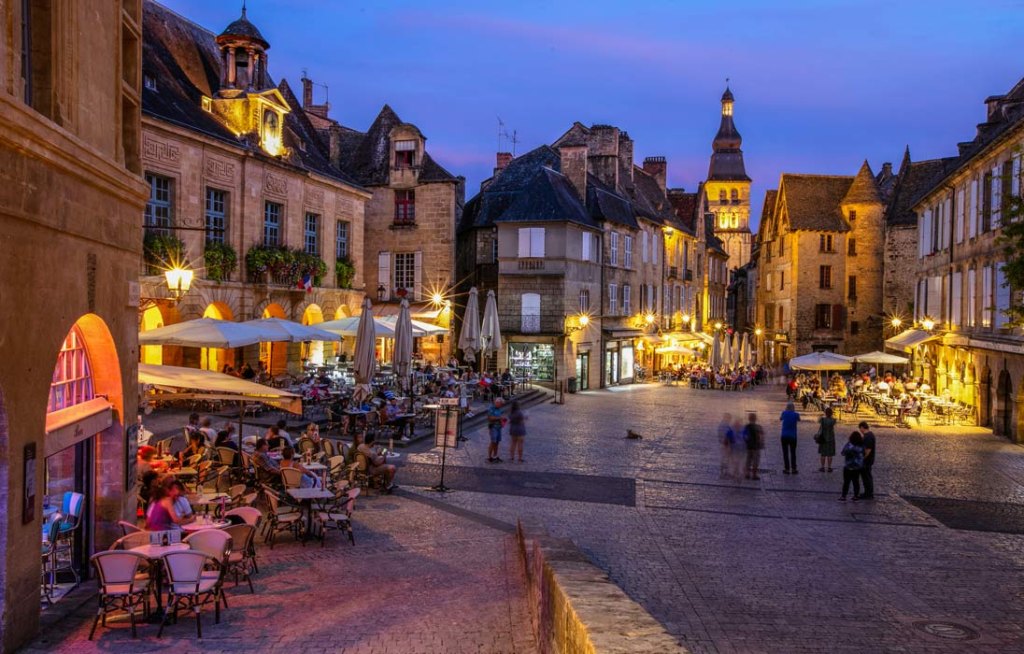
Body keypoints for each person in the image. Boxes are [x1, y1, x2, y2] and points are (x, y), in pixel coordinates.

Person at [839, 432, 865, 501]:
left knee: (846, 482)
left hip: (848, 465)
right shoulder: (861, 445)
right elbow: (863, 453)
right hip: (857, 466)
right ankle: (856, 495)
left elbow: (843, 452)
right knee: (856, 481)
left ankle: (843, 496)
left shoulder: (849, 444)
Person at [779, 402, 801, 474]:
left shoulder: (784, 413)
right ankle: (794, 468)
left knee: (785, 453)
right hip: (793, 436)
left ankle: (787, 469)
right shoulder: (796, 414)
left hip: (784, 435)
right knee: (793, 452)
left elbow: (780, 418)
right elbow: (799, 419)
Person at [743, 413, 764, 480]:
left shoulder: (746, 427)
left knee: (748, 460)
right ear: (755, 419)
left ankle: (747, 474)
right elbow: (761, 437)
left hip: (748, 446)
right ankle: (754, 475)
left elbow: (744, 436)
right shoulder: (759, 427)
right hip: (756, 447)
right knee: (755, 461)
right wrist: (761, 444)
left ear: (749, 419)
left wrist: (745, 443)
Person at [859, 421, 876, 499]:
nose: (860, 431)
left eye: (860, 429)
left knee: (866, 477)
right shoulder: (869, 435)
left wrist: (862, 458)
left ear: (862, 427)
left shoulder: (868, 436)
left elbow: (868, 450)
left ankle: (869, 494)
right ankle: (867, 492)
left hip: (867, 460)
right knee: (866, 477)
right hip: (868, 460)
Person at [817, 407, 837, 472]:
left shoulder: (822, 420)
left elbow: (818, 420)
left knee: (823, 454)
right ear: (831, 413)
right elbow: (835, 421)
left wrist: (823, 415)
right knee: (830, 454)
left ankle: (822, 467)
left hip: (823, 438)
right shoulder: (833, 420)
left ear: (825, 413)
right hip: (831, 438)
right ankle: (829, 467)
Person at [486, 397, 505, 463]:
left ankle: (495, 456)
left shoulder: (499, 408)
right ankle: (489, 457)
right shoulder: (491, 408)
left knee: (497, 442)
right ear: (497, 403)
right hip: (493, 427)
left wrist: (502, 421)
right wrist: (499, 418)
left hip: (498, 427)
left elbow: (499, 416)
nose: (501, 406)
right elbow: (490, 418)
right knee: (493, 442)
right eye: (501, 404)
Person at [718, 413, 733, 478]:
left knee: (724, 458)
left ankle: (723, 472)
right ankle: (725, 472)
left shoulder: (721, 425)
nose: (730, 420)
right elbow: (727, 436)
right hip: (726, 444)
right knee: (726, 459)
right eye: (729, 418)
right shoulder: (725, 425)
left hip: (722, 444)